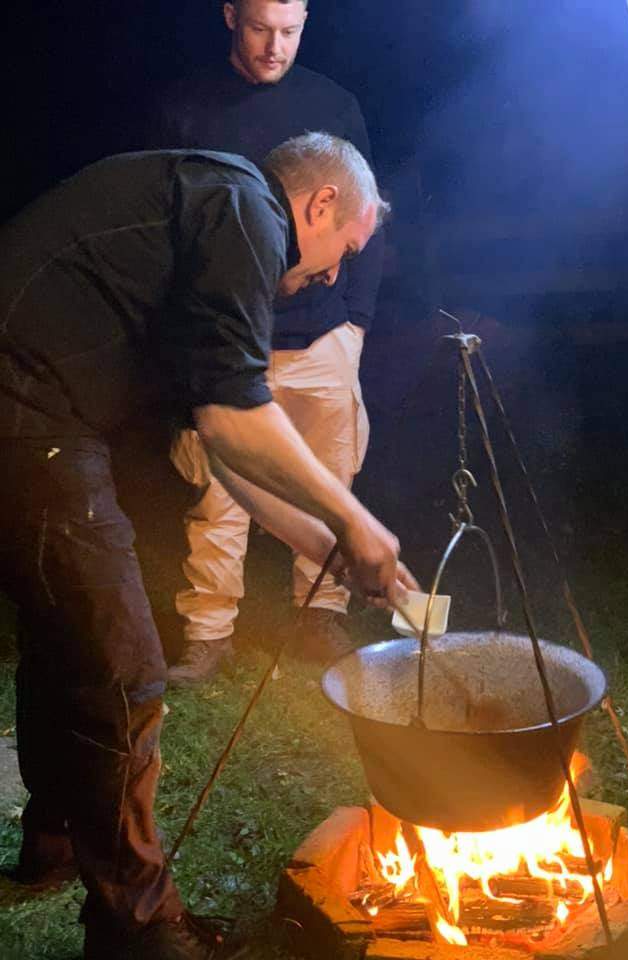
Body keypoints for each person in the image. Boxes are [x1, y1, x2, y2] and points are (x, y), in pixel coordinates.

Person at [0, 133, 416, 960]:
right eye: (343, 251)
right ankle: (140, 930)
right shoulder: (245, 211)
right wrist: (360, 523)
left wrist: (332, 542)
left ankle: (50, 849)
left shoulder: (205, 217)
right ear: (320, 205)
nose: (334, 274)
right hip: (26, 411)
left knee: (63, 641)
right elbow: (237, 417)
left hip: (33, 412)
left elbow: (220, 440)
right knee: (123, 668)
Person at [150, 0, 385, 683]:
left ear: (306, 20)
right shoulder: (185, 107)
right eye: (259, 28)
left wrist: (357, 323)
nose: (273, 47)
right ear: (230, 16)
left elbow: (365, 211)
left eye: (289, 30)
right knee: (222, 485)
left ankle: (320, 613)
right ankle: (208, 629)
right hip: (229, 333)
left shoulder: (334, 105)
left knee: (329, 477)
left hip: (323, 336)